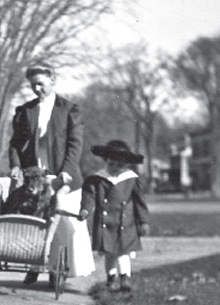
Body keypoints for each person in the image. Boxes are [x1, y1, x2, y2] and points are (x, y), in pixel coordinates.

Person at [8, 62, 94, 285]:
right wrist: (15, 165)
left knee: (63, 224)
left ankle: (58, 269)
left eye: (41, 84)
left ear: (53, 80)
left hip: (62, 175)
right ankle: (34, 264)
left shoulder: (69, 109)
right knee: (34, 222)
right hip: (35, 176)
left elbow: (75, 145)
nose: (37, 89)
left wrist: (65, 172)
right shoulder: (25, 111)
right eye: (32, 86)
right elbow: (15, 144)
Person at [76, 140, 150, 292]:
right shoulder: (97, 179)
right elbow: (89, 198)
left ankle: (125, 278)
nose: (115, 168)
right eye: (112, 164)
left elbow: (140, 202)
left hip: (126, 222)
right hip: (106, 222)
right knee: (109, 253)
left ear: (126, 166)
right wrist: (85, 210)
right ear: (105, 162)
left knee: (124, 252)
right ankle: (111, 279)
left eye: (120, 165)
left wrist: (143, 221)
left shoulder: (132, 179)